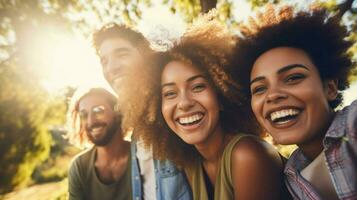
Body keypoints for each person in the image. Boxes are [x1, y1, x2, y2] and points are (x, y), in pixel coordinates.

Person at [125, 16, 287, 200]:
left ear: (221, 93)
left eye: (197, 87)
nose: (184, 103)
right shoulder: (193, 164)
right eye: (170, 93)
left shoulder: (248, 154)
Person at [231, 5, 357, 200]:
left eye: (293, 78)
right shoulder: (292, 174)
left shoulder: (353, 124)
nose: (272, 95)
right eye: (259, 88)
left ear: (330, 88)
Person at [92, 23, 192, 200]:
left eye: (121, 54)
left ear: (146, 56)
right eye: (104, 61)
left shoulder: (176, 115)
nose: (111, 68)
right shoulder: (137, 129)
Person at [67, 88, 131, 200]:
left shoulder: (142, 157)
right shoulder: (79, 167)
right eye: (84, 115)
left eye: (98, 111)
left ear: (117, 112)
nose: (91, 121)